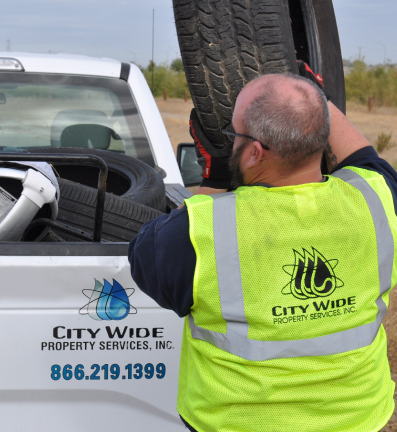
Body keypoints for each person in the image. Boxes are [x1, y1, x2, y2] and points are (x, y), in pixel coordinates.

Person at [128, 65, 397, 432]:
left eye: (232, 134)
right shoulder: (376, 199)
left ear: (254, 153)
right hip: (358, 419)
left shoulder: (196, 230)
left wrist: (207, 195)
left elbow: (144, 258)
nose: (230, 141)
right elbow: (365, 156)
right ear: (321, 136)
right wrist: (315, 97)